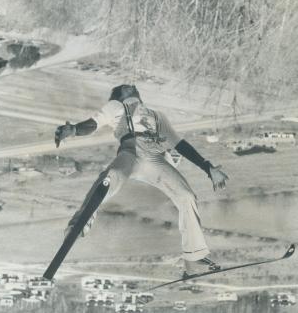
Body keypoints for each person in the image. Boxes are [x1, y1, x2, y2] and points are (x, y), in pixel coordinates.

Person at [54, 84, 228, 274]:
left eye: (133, 87)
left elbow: (180, 144)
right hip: (131, 153)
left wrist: (208, 167)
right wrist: (73, 131)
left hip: (154, 159)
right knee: (111, 178)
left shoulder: (157, 116)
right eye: (128, 87)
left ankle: (193, 258)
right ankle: (78, 226)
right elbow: (93, 124)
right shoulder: (116, 106)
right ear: (121, 94)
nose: (133, 86)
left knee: (186, 196)